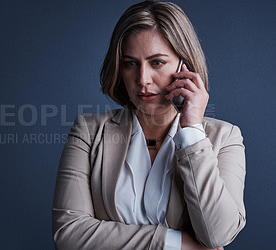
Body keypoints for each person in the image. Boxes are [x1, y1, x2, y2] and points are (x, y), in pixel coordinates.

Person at [52, 1, 246, 249]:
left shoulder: (225, 137)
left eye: (157, 63)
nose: (142, 80)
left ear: (183, 65)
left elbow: (217, 234)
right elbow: (68, 234)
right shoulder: (88, 132)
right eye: (130, 63)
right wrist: (173, 243)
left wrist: (192, 133)